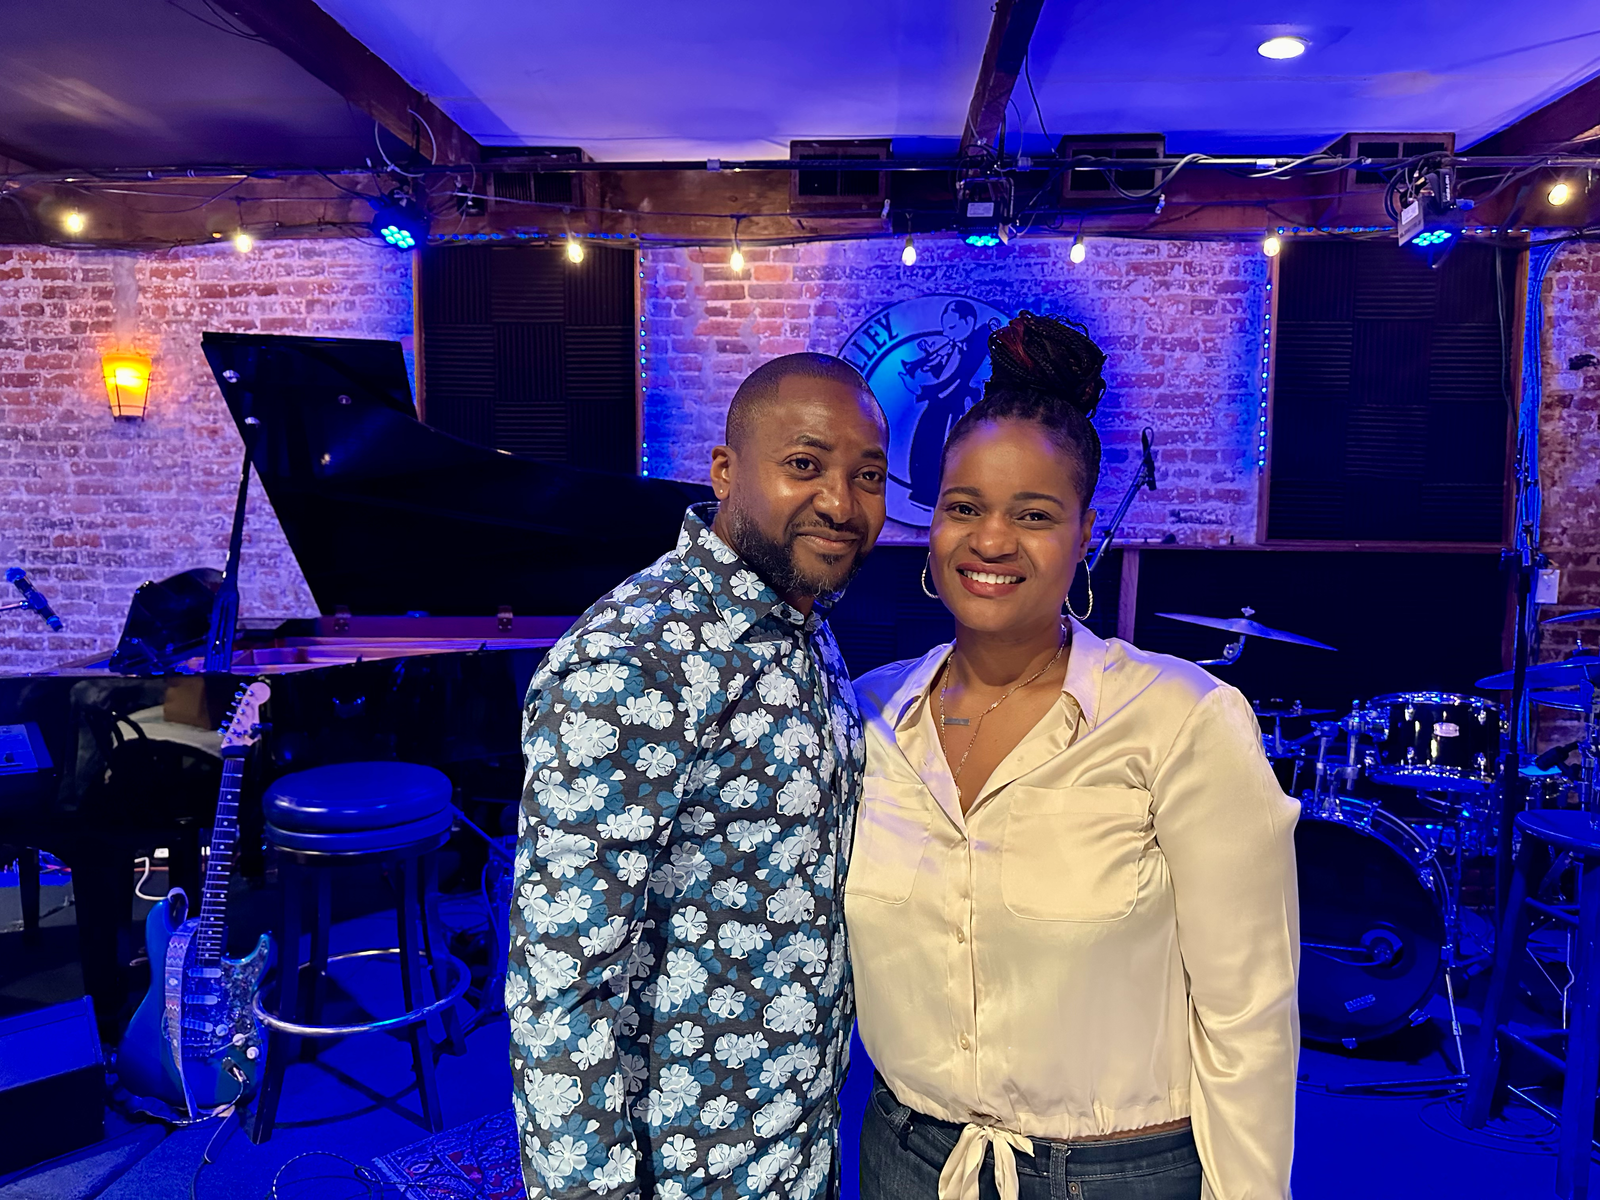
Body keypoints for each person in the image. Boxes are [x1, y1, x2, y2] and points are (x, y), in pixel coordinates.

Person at [848, 312, 1299, 1200]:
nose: (991, 541)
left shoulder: (1180, 721)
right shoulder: (869, 716)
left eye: (1034, 515)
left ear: (1086, 531)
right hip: (905, 1161)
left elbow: (1249, 1014)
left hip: (1117, 1176)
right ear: (932, 525)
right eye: (964, 508)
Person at [509, 352, 889, 1200]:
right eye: (805, 465)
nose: (841, 502)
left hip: (800, 1141)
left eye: (868, 475)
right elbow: (558, 987)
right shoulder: (631, 662)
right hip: (684, 1172)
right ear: (724, 471)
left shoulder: (801, 618)